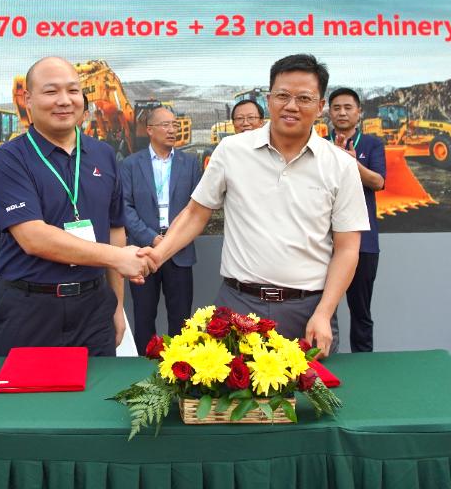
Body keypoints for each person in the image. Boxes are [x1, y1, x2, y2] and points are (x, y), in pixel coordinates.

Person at [139, 54, 369, 356]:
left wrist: (324, 313)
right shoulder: (232, 150)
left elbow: (348, 248)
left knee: (307, 389)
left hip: (308, 311)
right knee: (225, 387)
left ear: (320, 106)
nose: (291, 106)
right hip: (238, 306)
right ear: (269, 99)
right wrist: (157, 255)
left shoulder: (340, 165)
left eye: (304, 98)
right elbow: (196, 213)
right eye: (283, 96)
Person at [0, 56, 153, 356]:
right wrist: (118, 257)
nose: (64, 100)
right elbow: (33, 238)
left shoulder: (103, 155)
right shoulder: (8, 158)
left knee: (96, 386)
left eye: (73, 90)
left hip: (93, 307)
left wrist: (116, 306)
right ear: (28, 99)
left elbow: (115, 229)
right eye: (51, 91)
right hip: (30, 308)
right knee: (28, 387)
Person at [120, 107, 203, 353]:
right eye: (165, 125)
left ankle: (179, 368)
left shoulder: (190, 164)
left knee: (181, 319)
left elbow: (197, 207)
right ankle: (143, 369)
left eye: (174, 125)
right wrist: (151, 237)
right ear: (149, 130)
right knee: (144, 317)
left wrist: (171, 241)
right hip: (144, 252)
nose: (172, 130)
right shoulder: (131, 164)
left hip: (179, 251)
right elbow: (125, 207)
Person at [328, 88, 386, 352]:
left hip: (364, 242)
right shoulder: (319, 144)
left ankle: (364, 362)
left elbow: (378, 182)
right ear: (329, 113)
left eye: (348, 107)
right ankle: (321, 364)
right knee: (321, 309)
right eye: (336, 107)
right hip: (323, 241)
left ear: (359, 112)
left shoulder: (372, 144)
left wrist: (352, 164)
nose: (342, 112)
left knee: (360, 310)